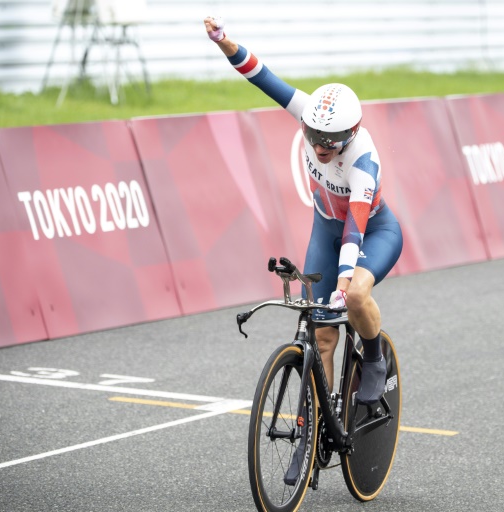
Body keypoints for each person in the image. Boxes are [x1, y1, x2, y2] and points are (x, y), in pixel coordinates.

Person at [204, 16, 403, 484]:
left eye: (327, 142)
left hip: (371, 234)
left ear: (350, 136)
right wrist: (224, 42)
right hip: (324, 230)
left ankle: (373, 359)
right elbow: (263, 77)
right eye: (312, 137)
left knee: (353, 298)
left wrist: (343, 281)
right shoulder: (312, 117)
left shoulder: (363, 162)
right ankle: (314, 427)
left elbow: (354, 233)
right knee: (321, 338)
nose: (316, 147)